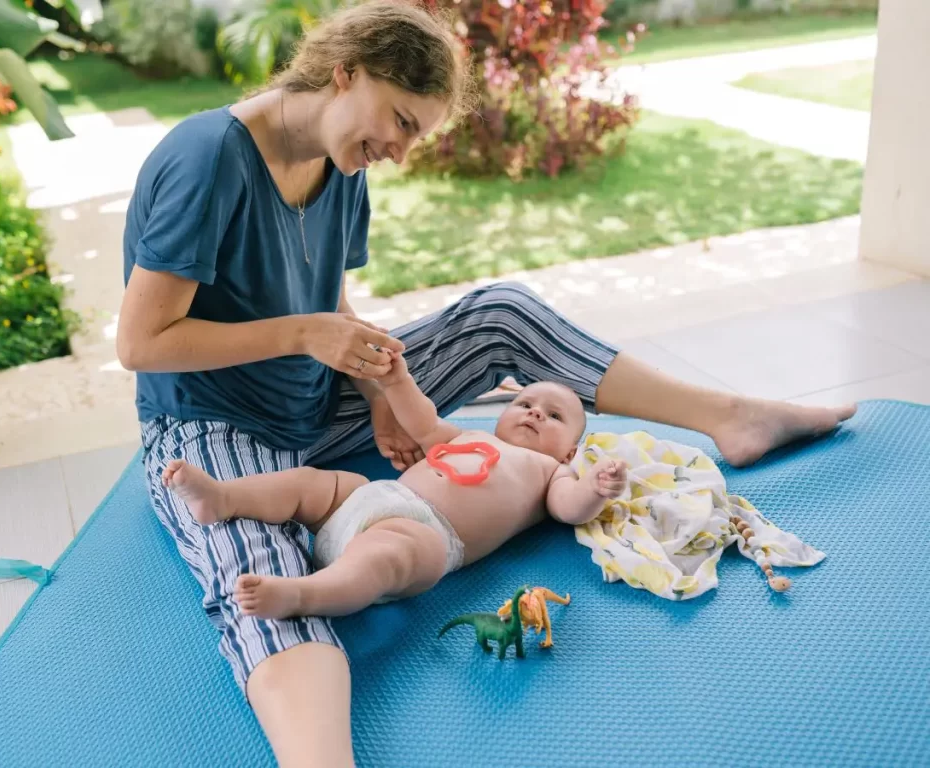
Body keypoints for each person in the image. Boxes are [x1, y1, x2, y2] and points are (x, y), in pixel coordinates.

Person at [116, 1, 856, 764]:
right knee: (265, 577)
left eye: (414, 133)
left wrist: (376, 386)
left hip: (315, 394)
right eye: (400, 120)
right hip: (214, 424)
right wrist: (308, 335)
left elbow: (328, 304)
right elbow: (141, 342)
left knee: (500, 311)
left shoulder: (342, 165)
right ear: (346, 73)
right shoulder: (208, 158)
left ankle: (729, 415)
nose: (399, 150)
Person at [160, 366, 629, 619]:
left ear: (570, 451)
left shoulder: (551, 471)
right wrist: (396, 380)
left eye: (554, 416)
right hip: (373, 496)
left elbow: (569, 509)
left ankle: (304, 594)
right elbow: (421, 420)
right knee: (315, 484)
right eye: (525, 403)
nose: (534, 414)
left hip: (430, 536)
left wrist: (596, 488)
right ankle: (223, 497)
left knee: (388, 556)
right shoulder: (465, 436)